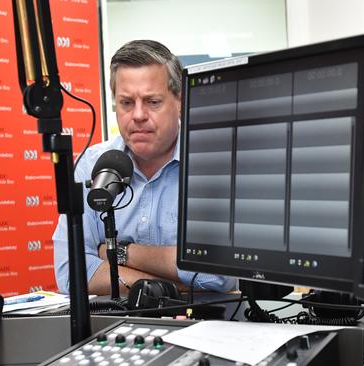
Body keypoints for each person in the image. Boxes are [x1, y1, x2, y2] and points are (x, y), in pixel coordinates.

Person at [53, 40, 235, 295]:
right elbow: (71, 273)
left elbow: (218, 275)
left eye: (152, 102)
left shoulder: (214, 165)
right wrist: (173, 287)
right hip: (113, 326)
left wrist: (118, 253)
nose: (138, 115)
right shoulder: (91, 165)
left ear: (180, 101)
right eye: (126, 103)